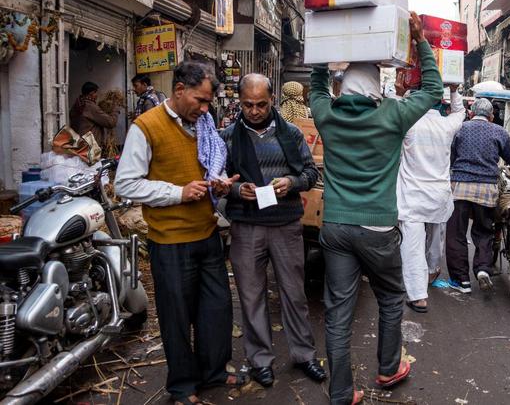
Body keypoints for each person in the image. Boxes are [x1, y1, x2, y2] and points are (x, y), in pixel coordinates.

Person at [309, 12, 443, 405]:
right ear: (375, 91)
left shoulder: (327, 114)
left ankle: (341, 393)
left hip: (334, 227)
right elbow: (433, 89)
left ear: (344, 89)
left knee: (337, 312)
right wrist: (420, 41)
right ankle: (388, 368)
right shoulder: (392, 115)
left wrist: (324, 45)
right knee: (389, 297)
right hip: (379, 230)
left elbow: (316, 84)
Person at [115, 62, 246, 405]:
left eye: (208, 102)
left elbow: (206, 167)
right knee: (176, 317)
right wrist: (178, 193)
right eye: (200, 100)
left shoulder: (202, 124)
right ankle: (183, 386)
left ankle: (214, 371)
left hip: (206, 233)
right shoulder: (146, 126)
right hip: (169, 241)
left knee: (216, 309)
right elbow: (126, 184)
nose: (205, 109)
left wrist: (218, 181)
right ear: (179, 90)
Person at [220, 73, 324, 388]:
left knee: (294, 293)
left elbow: (310, 173)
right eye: (248, 105)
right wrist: (238, 192)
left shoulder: (291, 134)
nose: (254, 111)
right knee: (251, 297)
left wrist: (291, 182)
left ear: (272, 100)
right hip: (247, 225)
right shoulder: (225, 137)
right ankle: (260, 361)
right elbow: (218, 181)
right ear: (239, 102)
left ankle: (304, 355)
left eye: (261, 105)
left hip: (286, 223)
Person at [447, 98, 510, 293]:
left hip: (460, 187)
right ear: (491, 116)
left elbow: (450, 157)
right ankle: (483, 270)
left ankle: (462, 281)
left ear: (470, 113)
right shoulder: (499, 131)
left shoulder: (460, 129)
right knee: (484, 230)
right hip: (487, 189)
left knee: (456, 234)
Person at [397, 85, 466, 313]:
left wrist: (400, 92)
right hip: (438, 196)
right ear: (440, 104)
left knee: (412, 246)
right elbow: (460, 113)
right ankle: (433, 271)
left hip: (413, 196)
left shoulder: (409, 124)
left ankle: (418, 297)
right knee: (436, 237)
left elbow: (394, 108)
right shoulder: (446, 125)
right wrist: (455, 91)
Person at [69, 81, 119, 148]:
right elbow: (111, 122)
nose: (97, 95)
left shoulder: (77, 105)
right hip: (89, 147)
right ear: (92, 93)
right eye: (96, 93)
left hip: (79, 144)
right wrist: (115, 110)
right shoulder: (90, 106)